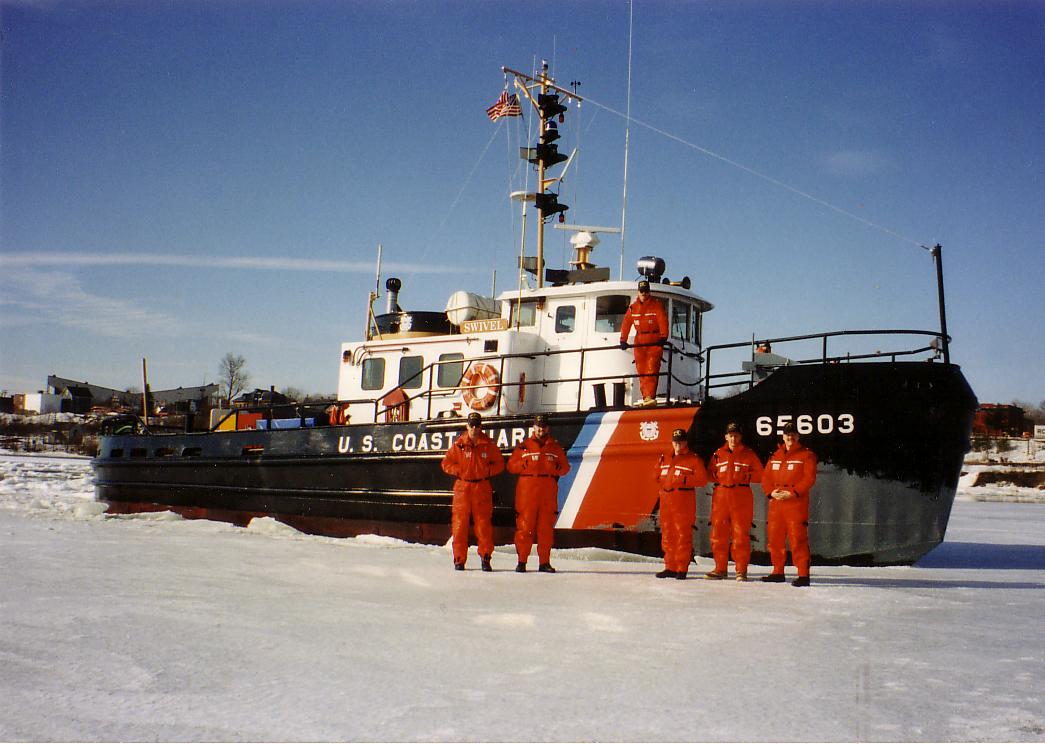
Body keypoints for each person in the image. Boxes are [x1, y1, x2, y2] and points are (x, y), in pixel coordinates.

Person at [440, 411, 505, 571]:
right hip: (463, 488)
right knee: (460, 525)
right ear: (467, 426)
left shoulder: (488, 445)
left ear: (480, 427)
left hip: (481, 487)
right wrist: (459, 470)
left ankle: (485, 558)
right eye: (471, 425)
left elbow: (499, 464)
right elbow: (446, 463)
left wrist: (487, 472)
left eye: (477, 425)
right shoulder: (459, 444)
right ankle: (459, 560)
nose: (474, 428)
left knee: (483, 525)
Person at [506, 414, 570, 573]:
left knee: (545, 528)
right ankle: (522, 561)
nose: (541, 429)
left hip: (547, 491)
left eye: (543, 426)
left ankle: (544, 562)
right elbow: (511, 466)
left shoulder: (555, 447)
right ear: (534, 427)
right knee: (525, 527)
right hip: (527, 491)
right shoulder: (524, 447)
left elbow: (565, 468)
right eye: (538, 426)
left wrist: (556, 468)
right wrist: (523, 464)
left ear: (547, 428)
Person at [760, 421, 818, 587]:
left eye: (793, 434)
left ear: (798, 436)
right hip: (777, 503)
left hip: (795, 503)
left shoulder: (807, 455)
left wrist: (793, 493)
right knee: (775, 538)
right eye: (787, 434)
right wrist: (770, 492)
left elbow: (809, 478)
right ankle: (777, 571)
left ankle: (803, 575)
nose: (790, 437)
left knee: (797, 538)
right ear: (783, 436)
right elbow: (766, 478)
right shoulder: (775, 456)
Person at [706, 422, 764, 581]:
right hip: (721, 496)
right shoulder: (718, 454)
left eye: (736, 435)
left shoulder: (749, 454)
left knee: (740, 534)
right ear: (726, 437)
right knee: (718, 534)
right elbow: (709, 474)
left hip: (741, 495)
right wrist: (717, 477)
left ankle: (741, 570)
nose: (733, 438)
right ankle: (720, 569)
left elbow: (761, 475)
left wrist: (746, 477)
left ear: (740, 437)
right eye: (730, 435)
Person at [652, 428, 708, 579]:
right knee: (668, 535)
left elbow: (702, 480)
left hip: (683, 502)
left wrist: (684, 480)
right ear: (672, 442)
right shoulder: (665, 458)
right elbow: (656, 475)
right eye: (676, 442)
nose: (678, 445)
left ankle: (682, 568)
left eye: (681, 442)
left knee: (682, 535)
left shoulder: (693, 460)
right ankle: (670, 566)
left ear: (686, 442)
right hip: (666, 502)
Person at [619, 279, 669, 406]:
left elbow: (662, 320)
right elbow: (626, 324)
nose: (644, 293)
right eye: (642, 291)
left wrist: (663, 336)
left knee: (651, 369)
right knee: (641, 370)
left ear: (649, 292)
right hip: (639, 341)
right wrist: (623, 340)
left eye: (646, 291)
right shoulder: (633, 308)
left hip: (654, 340)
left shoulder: (656, 305)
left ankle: (649, 396)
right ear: (638, 292)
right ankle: (646, 396)